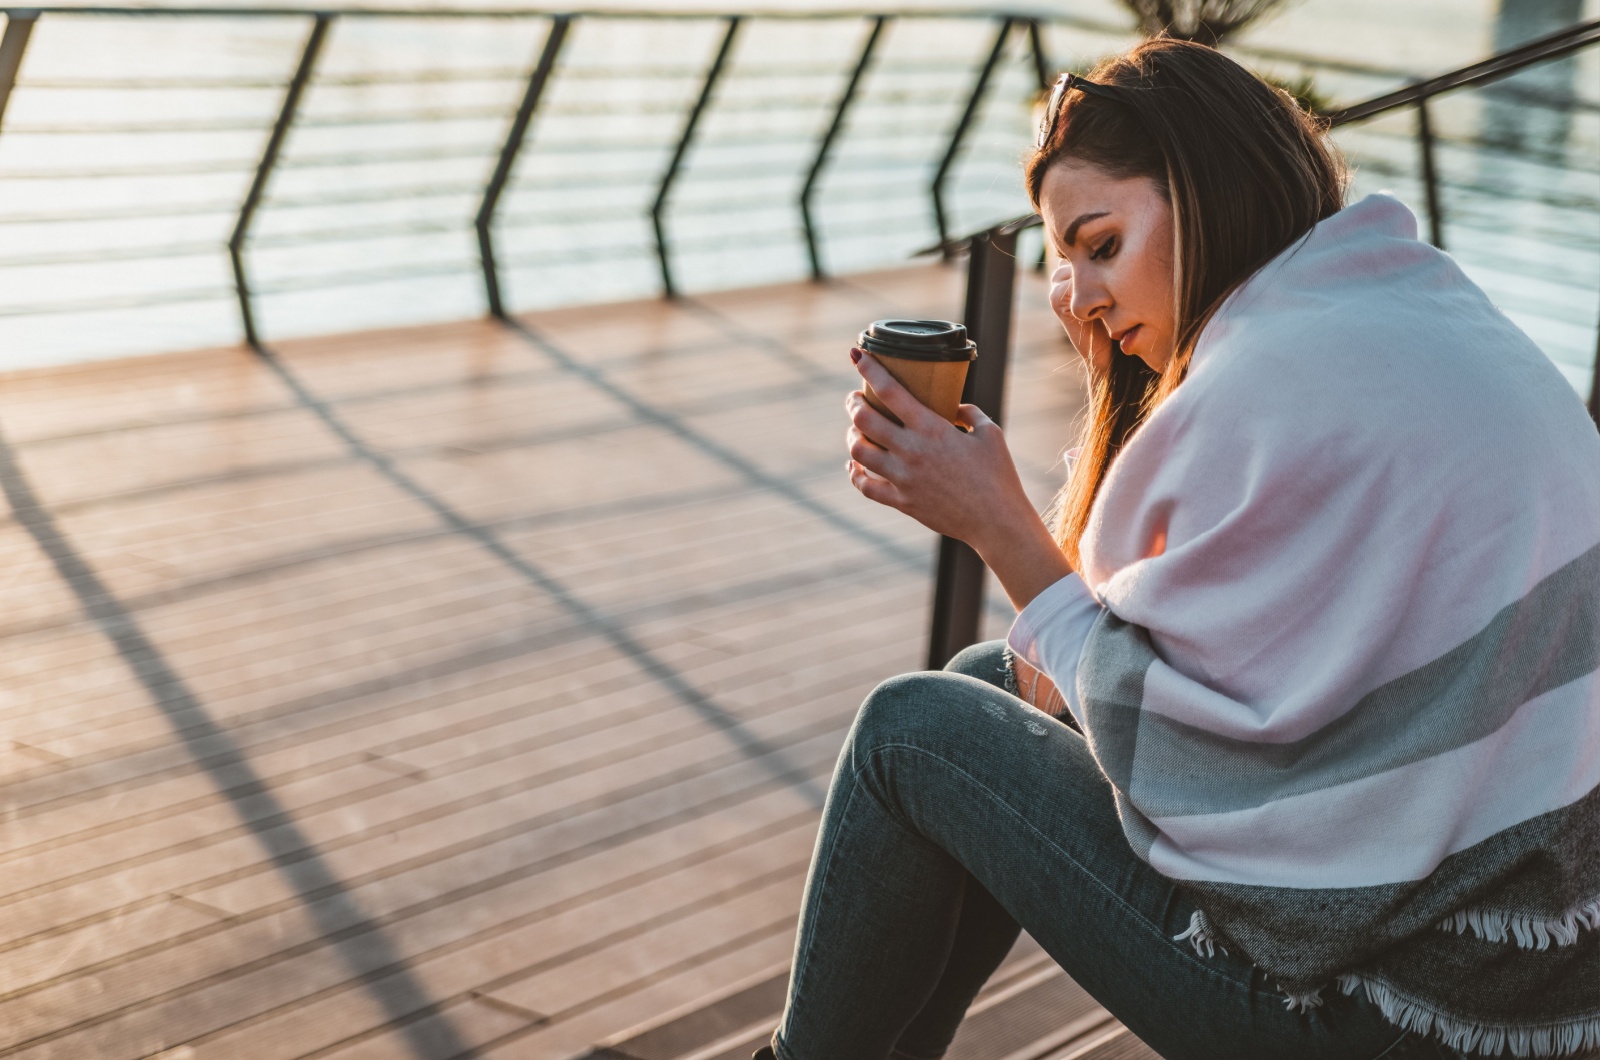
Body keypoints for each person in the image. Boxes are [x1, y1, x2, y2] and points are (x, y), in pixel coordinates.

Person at [754, 38, 1600, 1060]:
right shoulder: (1399, 304)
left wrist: (994, 523)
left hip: (1415, 1016)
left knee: (913, 730)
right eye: (1062, 261)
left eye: (1099, 243)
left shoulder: (1269, 375)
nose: (1075, 293)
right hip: (1542, 965)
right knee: (997, 679)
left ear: (1201, 192)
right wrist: (1126, 388)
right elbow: (1155, 652)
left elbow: (1172, 747)